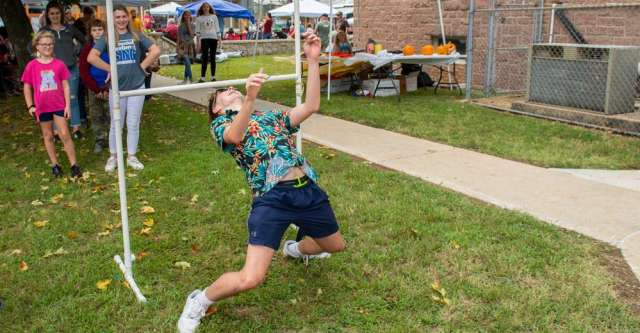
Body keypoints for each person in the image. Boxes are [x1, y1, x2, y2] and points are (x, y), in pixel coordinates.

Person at [176, 32, 346, 333]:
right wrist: (250, 98)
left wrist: (312, 60)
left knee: (335, 245)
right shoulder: (221, 125)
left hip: (306, 189)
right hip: (272, 198)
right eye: (224, 93)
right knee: (251, 278)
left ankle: (294, 250)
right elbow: (236, 137)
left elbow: (310, 106)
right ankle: (199, 300)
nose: (231, 89)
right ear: (217, 109)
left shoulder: (269, 118)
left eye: (232, 89)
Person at [87, 4, 161, 172]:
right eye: (117, 17)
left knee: (133, 122)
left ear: (128, 17)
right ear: (112, 19)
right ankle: (114, 156)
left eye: (123, 16)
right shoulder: (107, 37)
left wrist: (142, 66)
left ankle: (132, 157)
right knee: (116, 124)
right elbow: (92, 57)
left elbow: (155, 50)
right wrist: (110, 68)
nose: (121, 20)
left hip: (137, 86)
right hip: (117, 88)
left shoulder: (136, 34)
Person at [22, 30, 82, 178]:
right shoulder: (32, 66)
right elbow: (27, 87)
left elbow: (66, 86)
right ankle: (55, 165)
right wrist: (30, 106)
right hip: (42, 107)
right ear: (37, 46)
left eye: (50, 44)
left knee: (64, 134)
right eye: (44, 44)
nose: (48, 47)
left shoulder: (59, 64)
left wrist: (68, 105)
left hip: (59, 105)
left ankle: (74, 165)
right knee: (48, 135)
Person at [41, 1, 86, 140]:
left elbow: (84, 40)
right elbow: (31, 46)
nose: (55, 16)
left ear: (61, 14)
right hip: (52, 72)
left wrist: (78, 52)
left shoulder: (70, 28)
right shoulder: (44, 31)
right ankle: (56, 131)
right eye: (52, 14)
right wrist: (42, 58)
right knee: (55, 100)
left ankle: (76, 128)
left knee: (72, 99)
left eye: (57, 13)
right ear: (48, 15)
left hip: (71, 69)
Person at [79, 19, 110, 154]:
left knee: (110, 114)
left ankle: (112, 139)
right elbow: (84, 71)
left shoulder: (110, 46)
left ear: (105, 31)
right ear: (90, 33)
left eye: (100, 30)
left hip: (110, 87)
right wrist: (96, 89)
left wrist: (106, 88)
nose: (97, 33)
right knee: (96, 115)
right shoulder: (87, 49)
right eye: (94, 30)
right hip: (94, 88)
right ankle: (99, 139)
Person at [195, 2, 220, 82]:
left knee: (213, 58)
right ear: (202, 9)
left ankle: (213, 76)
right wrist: (198, 42)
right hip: (204, 39)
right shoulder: (199, 18)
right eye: (204, 7)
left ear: (209, 8)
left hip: (214, 38)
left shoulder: (214, 17)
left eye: (207, 7)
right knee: (204, 57)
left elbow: (217, 28)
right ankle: (202, 77)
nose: (206, 8)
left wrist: (219, 39)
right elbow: (197, 31)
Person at [177, 11, 196, 84]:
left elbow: (192, 35)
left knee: (187, 63)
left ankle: (185, 79)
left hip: (190, 46)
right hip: (182, 46)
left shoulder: (193, 25)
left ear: (190, 16)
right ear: (183, 16)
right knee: (187, 63)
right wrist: (177, 47)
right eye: (185, 15)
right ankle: (191, 79)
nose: (187, 16)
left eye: (189, 15)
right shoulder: (180, 26)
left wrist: (188, 24)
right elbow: (179, 38)